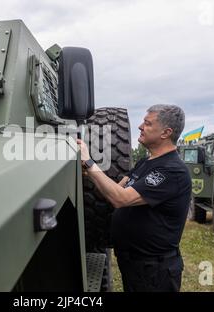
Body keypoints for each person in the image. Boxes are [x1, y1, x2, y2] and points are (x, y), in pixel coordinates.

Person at [77, 104, 191, 292]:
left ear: (166, 132)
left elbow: (120, 198)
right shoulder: (146, 162)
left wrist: (89, 162)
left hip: (154, 269)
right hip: (134, 261)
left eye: (147, 123)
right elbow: (116, 187)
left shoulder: (172, 170)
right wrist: (87, 171)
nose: (140, 126)